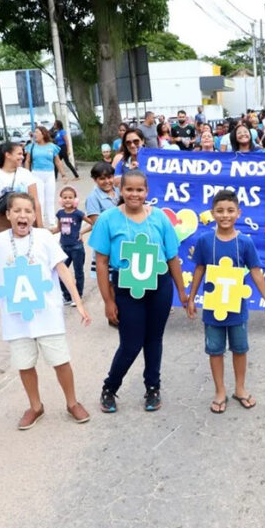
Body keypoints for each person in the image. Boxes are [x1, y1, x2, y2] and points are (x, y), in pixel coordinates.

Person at [0, 192, 91, 428]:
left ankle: (72, 402)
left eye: (28, 211)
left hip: (47, 314)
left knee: (60, 360)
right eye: (17, 211)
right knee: (24, 363)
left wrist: (78, 302)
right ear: (8, 215)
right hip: (16, 317)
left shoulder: (44, 238)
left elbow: (61, 269)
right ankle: (35, 406)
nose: (23, 215)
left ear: (34, 215)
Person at [89, 169, 188, 413]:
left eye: (139, 190)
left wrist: (182, 293)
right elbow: (101, 262)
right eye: (129, 189)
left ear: (147, 192)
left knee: (154, 339)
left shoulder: (160, 218)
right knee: (131, 343)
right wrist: (107, 301)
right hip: (126, 288)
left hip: (159, 286)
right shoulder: (108, 219)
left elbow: (173, 257)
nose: (134, 194)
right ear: (120, 191)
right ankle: (110, 387)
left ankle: (153, 387)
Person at [186, 190, 265, 413]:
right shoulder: (205, 240)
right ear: (212, 213)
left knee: (240, 348)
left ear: (239, 213)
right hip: (213, 307)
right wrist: (191, 298)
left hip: (237, 307)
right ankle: (220, 391)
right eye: (220, 211)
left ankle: (240, 388)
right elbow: (199, 269)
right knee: (215, 350)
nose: (225, 215)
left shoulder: (245, 242)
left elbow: (255, 272)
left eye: (230, 211)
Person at [0, 142, 43, 235]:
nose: (22, 157)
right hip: (1, 221)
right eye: (19, 154)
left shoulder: (26, 174)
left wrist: (40, 225)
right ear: (8, 155)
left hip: (23, 220)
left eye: (23, 154)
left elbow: (35, 201)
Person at [50, 185, 90, 305]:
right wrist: (48, 230)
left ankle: (78, 296)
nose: (68, 200)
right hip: (64, 247)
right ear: (61, 200)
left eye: (70, 197)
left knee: (78, 272)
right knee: (60, 272)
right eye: (65, 197)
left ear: (75, 200)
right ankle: (67, 296)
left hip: (77, 248)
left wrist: (81, 232)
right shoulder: (60, 213)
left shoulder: (78, 214)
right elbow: (58, 228)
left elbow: (93, 223)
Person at [24, 125, 66, 227]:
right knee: (39, 200)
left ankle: (52, 222)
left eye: (37, 132)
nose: (35, 135)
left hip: (50, 174)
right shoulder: (32, 146)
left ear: (43, 134)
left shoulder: (52, 146)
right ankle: (40, 221)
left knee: (50, 199)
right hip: (36, 174)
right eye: (35, 133)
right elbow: (28, 161)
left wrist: (63, 174)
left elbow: (57, 161)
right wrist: (26, 174)